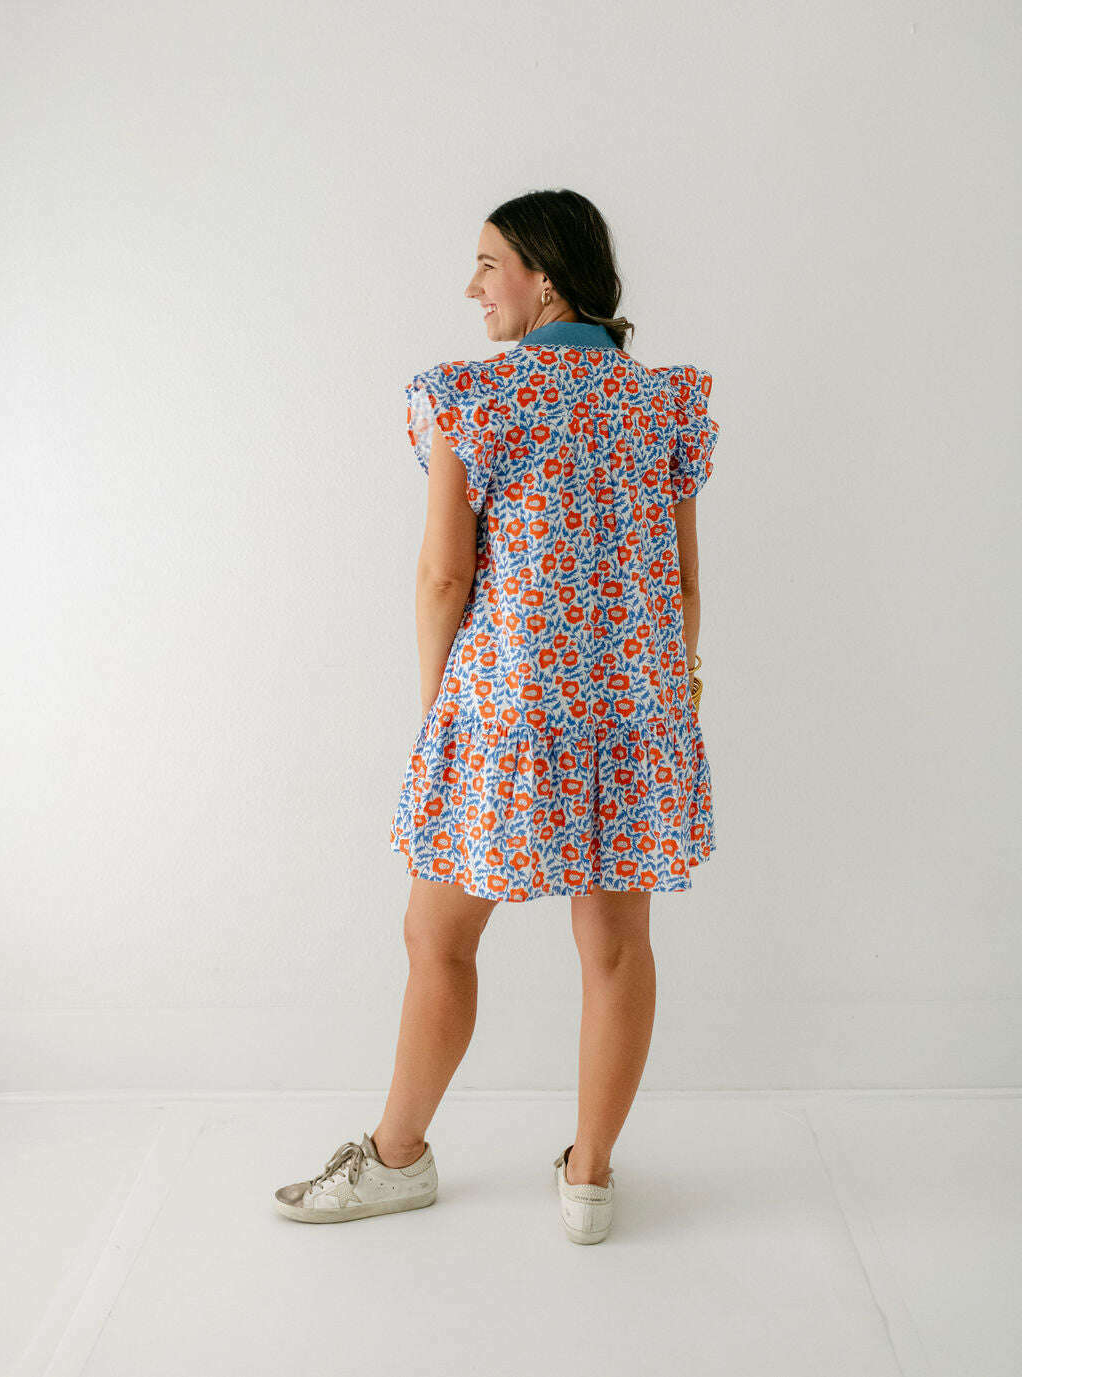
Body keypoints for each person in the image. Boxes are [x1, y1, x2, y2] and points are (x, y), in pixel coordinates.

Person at [275, 190, 718, 1243]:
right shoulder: (665, 402)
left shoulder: (472, 398)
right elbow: (683, 586)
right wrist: (670, 691)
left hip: (507, 712)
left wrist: (441, 708)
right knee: (617, 944)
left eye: (488, 264)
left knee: (437, 935)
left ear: (543, 273)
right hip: (636, 709)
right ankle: (589, 1180)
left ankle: (396, 1158)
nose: (473, 287)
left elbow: (444, 577)